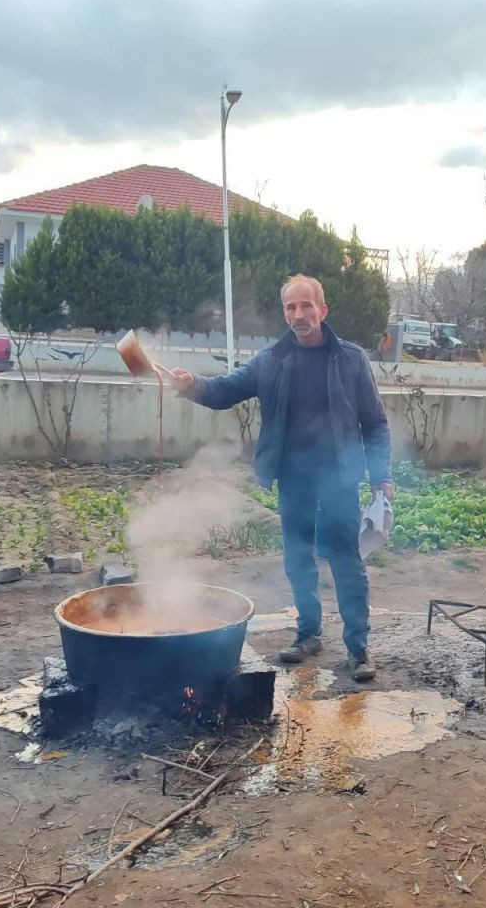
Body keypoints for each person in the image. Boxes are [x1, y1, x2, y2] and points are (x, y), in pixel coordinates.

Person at [169, 275, 393, 682]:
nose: (299, 315)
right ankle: (308, 634)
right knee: (297, 559)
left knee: (346, 562)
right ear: (285, 313)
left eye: (307, 306)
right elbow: (225, 389)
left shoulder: (351, 359)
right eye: (291, 307)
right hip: (293, 478)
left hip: (339, 477)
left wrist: (382, 477)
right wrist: (191, 386)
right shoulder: (271, 360)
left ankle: (358, 650)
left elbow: (375, 422)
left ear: (323, 310)